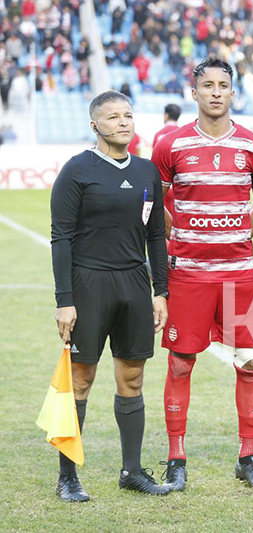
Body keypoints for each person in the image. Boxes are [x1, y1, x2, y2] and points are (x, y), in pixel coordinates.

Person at [151, 57, 253, 491]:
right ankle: (176, 458)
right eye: (208, 85)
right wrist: (180, 234)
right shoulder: (171, 146)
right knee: (180, 364)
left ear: (233, 92)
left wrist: (240, 231)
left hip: (238, 275)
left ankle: (248, 456)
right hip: (188, 276)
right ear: (194, 92)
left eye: (223, 85)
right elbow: (157, 204)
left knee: (251, 362)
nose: (216, 92)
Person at [50, 90, 171, 500]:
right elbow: (61, 237)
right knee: (80, 379)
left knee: (132, 378)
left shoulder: (146, 171)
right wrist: (64, 300)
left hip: (134, 284)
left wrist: (160, 291)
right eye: (113, 117)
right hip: (89, 285)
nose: (123, 122)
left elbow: (156, 235)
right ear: (95, 125)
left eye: (128, 115)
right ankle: (68, 477)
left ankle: (131, 471)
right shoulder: (77, 170)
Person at [152, 103, 182, 236]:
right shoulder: (183, 134)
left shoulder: (159, 135)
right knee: (178, 222)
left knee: (164, 223)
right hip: (178, 186)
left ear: (166, 115)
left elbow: (156, 162)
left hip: (163, 186)